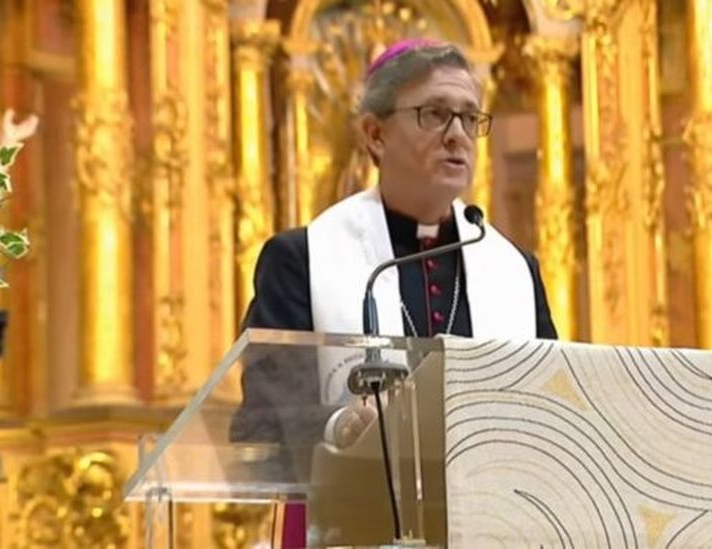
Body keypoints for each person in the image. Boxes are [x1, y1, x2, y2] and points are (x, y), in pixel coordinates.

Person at [232, 38, 558, 548]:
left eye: (469, 117)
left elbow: (552, 414)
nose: (458, 135)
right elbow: (264, 419)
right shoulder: (303, 259)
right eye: (435, 114)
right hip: (346, 531)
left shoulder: (514, 270)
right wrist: (342, 426)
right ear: (375, 134)